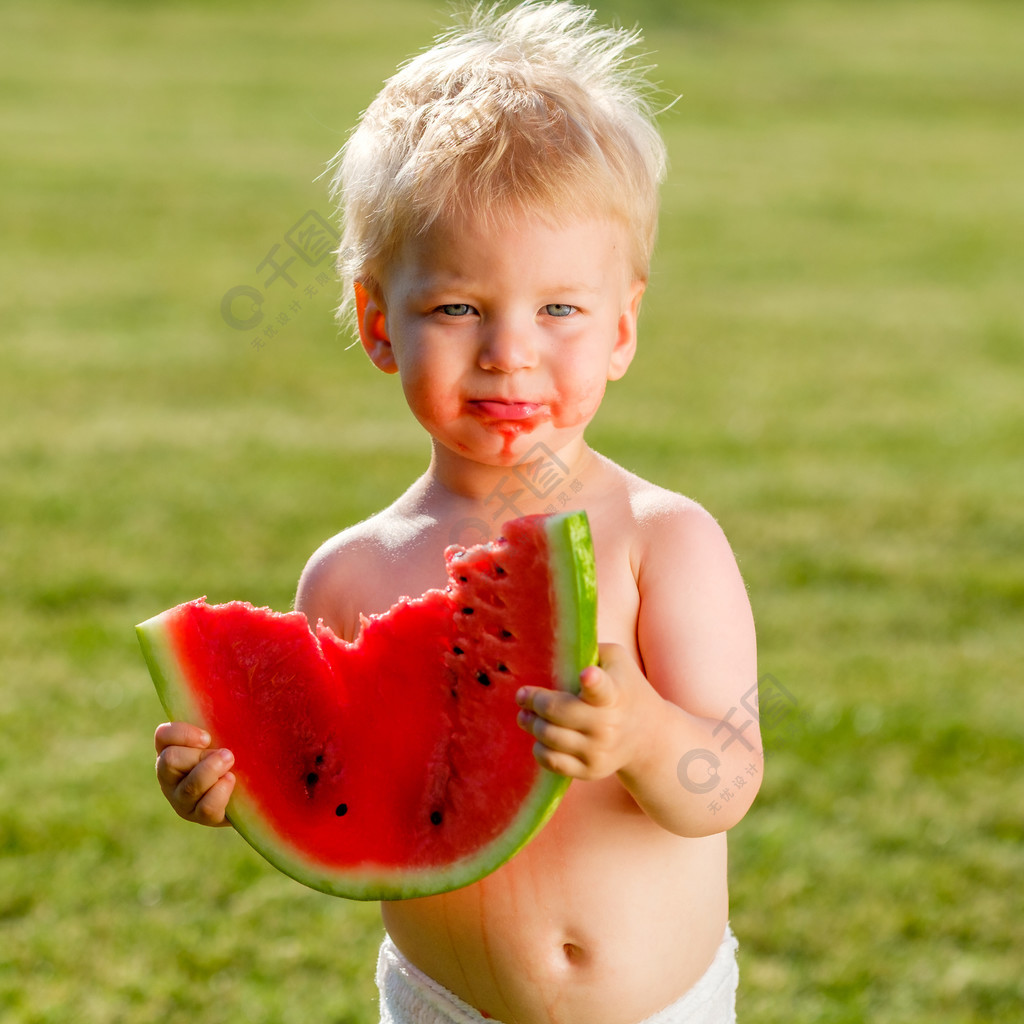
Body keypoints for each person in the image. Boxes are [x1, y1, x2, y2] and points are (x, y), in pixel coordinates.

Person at [154, 3, 762, 1022]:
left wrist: (647, 735)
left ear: (622, 327)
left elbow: (726, 782)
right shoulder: (347, 575)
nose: (509, 351)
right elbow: (325, 783)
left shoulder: (666, 540)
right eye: (458, 307)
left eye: (558, 308)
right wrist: (226, 783)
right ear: (375, 321)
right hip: (437, 1002)